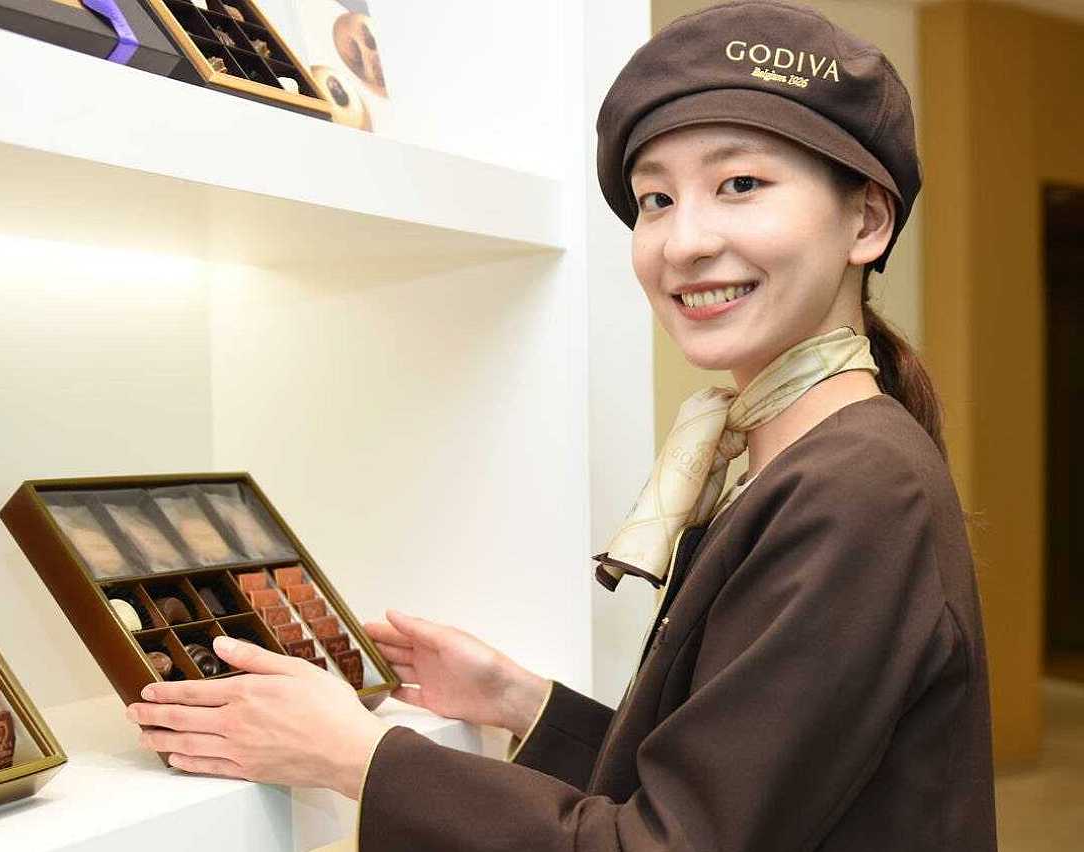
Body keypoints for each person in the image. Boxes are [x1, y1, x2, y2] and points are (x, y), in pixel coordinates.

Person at [125, 1, 998, 849]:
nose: (684, 243)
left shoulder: (854, 489)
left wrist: (356, 755)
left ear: (866, 221)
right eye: (655, 199)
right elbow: (734, 786)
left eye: (740, 185)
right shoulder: (807, 456)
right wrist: (518, 699)